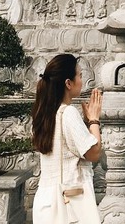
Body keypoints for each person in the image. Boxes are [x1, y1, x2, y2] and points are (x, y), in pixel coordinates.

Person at [31, 53, 103, 223]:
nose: (82, 80)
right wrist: (94, 120)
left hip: (45, 201)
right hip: (68, 202)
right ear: (68, 83)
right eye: (79, 75)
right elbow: (93, 153)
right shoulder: (68, 113)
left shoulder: (43, 113)